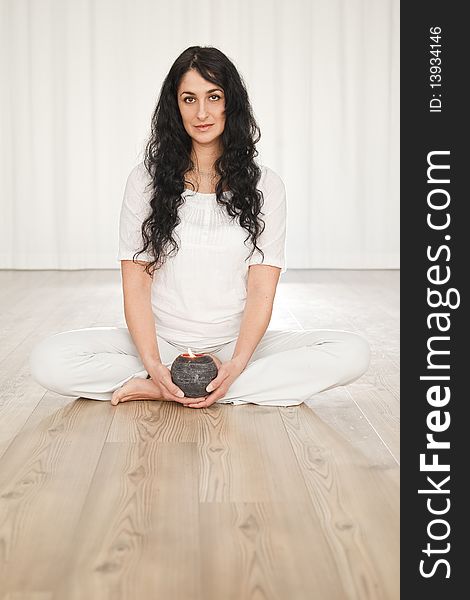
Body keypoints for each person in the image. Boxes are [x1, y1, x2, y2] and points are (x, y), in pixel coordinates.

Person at [29, 46, 370, 409]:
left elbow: (260, 289)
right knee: (48, 360)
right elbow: (136, 282)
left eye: (214, 97)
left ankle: (180, 387)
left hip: (235, 345)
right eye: (189, 99)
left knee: (352, 352)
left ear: (231, 103)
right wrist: (153, 364)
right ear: (175, 107)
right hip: (160, 342)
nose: (202, 112)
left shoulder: (266, 186)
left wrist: (237, 363)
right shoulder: (145, 181)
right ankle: (172, 383)